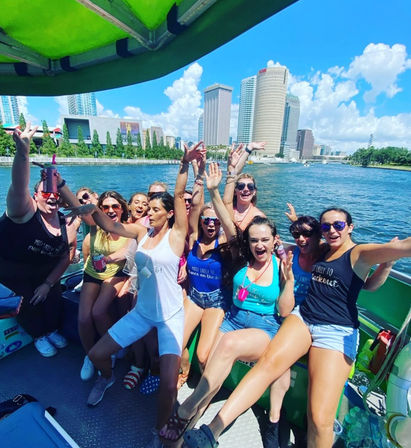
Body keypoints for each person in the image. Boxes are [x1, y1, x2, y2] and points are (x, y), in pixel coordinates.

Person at [182, 207, 411, 448]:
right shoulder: (322, 250)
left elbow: (401, 250)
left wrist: (387, 262)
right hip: (303, 317)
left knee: (319, 418)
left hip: (335, 330)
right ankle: (212, 431)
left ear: (350, 228)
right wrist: (296, 223)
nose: (332, 230)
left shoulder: (359, 253)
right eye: (326, 227)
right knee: (267, 366)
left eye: (338, 225)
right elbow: (304, 239)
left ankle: (278, 422)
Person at [69, 142, 205, 447]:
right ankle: (107, 377)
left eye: (157, 210)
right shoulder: (143, 233)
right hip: (142, 313)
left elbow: (181, 196)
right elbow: (108, 222)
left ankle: (159, 431)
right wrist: (90, 209)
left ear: (170, 214)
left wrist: (184, 166)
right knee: (97, 354)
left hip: (170, 316)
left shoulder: (177, 234)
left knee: (168, 387)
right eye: (150, 209)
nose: (150, 214)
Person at [160, 162, 295, 444]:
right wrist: (213, 190)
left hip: (263, 328)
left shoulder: (281, 266)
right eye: (254, 240)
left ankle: (184, 409)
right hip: (234, 318)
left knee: (228, 345)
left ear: (274, 241)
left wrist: (289, 280)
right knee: (211, 367)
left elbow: (284, 310)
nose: (259, 245)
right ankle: (190, 422)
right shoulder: (242, 258)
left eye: (265, 240)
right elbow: (226, 222)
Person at [0, 124, 77, 357]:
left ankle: (51, 329)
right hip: (12, 271)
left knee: (51, 298)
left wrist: (48, 283)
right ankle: (38, 335)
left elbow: (66, 255)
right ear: (35, 197)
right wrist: (23, 153)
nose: (51, 197)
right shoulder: (23, 211)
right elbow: (18, 186)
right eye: (45, 193)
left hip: (44, 271)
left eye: (55, 194)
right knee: (27, 302)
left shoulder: (66, 224)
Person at [177, 156, 231, 389]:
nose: (211, 224)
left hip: (216, 302)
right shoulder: (193, 238)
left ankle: (206, 389)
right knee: (176, 345)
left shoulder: (227, 243)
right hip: (195, 297)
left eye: (216, 221)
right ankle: (184, 372)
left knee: (203, 355)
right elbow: (196, 206)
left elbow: (227, 215)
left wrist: (218, 188)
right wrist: (198, 176)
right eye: (207, 221)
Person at [78, 191, 132, 381]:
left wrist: (110, 260)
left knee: (98, 312)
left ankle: (109, 349)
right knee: (84, 319)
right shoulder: (95, 227)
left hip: (115, 274)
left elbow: (129, 253)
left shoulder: (128, 229)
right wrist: (59, 183)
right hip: (93, 273)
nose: (110, 210)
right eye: (106, 207)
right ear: (100, 210)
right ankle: (90, 354)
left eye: (115, 206)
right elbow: (80, 209)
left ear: (122, 209)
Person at [223, 142, 266, 231]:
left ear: (254, 192)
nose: (246, 189)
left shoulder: (258, 216)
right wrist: (248, 149)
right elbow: (232, 176)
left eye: (250, 186)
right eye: (241, 186)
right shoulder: (227, 208)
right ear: (234, 191)